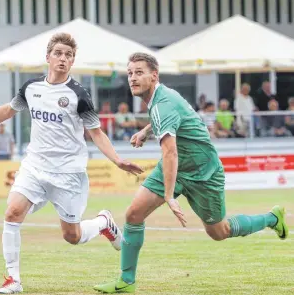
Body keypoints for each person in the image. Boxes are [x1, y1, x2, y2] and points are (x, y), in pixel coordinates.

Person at [0, 33, 143, 294]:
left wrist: (118, 160)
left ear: (72, 61)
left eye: (69, 55)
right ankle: (13, 280)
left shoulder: (79, 95)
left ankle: (103, 223)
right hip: (34, 166)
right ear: (48, 57)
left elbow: (96, 132)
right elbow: (8, 110)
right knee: (12, 213)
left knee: (72, 237)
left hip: (68, 173)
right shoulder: (31, 88)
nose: (63, 58)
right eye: (58, 53)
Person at [93, 52, 288, 294]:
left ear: (154, 76)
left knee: (219, 232)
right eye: (130, 73)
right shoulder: (160, 99)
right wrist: (145, 132)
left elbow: (170, 153)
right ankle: (126, 282)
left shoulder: (162, 103)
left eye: (139, 72)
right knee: (134, 213)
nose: (132, 78)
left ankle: (272, 218)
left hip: (203, 172)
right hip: (178, 167)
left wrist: (168, 196)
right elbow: (169, 122)